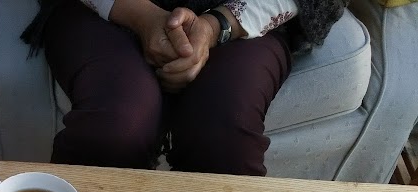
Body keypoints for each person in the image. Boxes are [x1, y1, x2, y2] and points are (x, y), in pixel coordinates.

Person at [21, 0, 348, 175]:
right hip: (104, 12)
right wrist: (143, 16)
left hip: (243, 16)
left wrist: (216, 26)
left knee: (224, 133)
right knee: (116, 127)